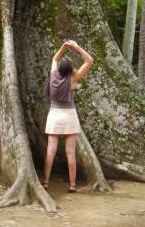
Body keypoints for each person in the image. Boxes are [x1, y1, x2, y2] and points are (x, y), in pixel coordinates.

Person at [42, 39, 93, 193]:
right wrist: (76, 47)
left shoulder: (53, 76)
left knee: (51, 150)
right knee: (70, 152)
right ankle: (72, 185)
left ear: (60, 69)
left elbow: (54, 59)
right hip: (70, 116)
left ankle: (45, 182)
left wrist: (63, 47)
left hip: (54, 116)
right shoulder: (73, 78)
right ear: (70, 69)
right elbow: (90, 60)